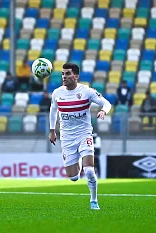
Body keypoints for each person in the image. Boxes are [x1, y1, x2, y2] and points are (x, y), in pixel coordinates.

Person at [48, 62, 111, 210]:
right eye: (63, 74)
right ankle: (79, 160)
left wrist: (103, 111)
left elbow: (107, 103)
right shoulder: (57, 93)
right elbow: (53, 110)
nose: (64, 76)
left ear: (76, 76)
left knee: (89, 170)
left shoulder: (87, 91)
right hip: (67, 137)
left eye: (68, 73)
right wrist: (52, 130)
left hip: (84, 134)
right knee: (74, 177)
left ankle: (94, 200)